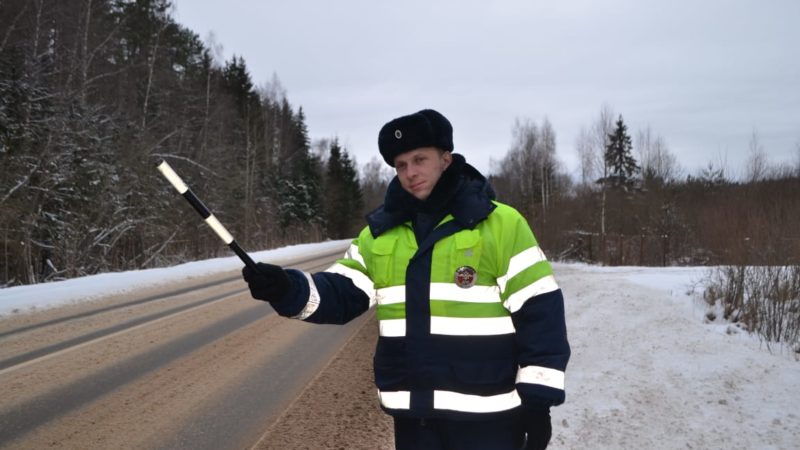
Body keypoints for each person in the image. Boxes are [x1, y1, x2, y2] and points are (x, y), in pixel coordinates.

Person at [242, 109, 570, 450]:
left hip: (489, 419)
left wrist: (538, 401)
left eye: (419, 160)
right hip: (415, 419)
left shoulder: (501, 224)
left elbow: (539, 310)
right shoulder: (379, 235)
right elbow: (340, 293)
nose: (410, 173)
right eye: (401, 165)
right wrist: (286, 288)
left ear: (446, 159)